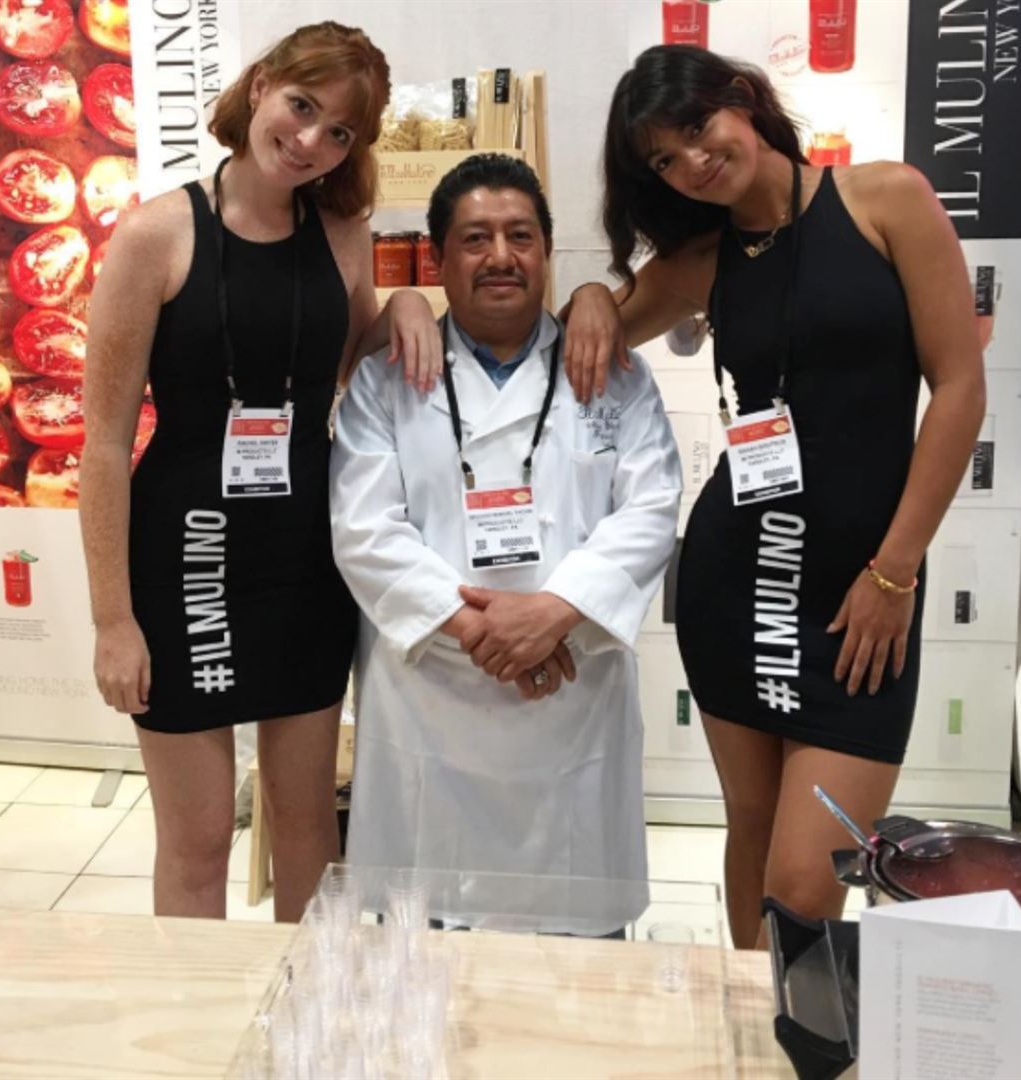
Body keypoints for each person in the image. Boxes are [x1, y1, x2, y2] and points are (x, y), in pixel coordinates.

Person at [564, 46, 985, 947]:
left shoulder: (886, 200)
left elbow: (959, 388)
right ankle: (758, 1021)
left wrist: (895, 573)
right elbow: (569, 344)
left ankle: (788, 1012)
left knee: (804, 881)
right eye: (664, 159)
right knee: (752, 833)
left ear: (742, 99)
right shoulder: (698, 261)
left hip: (865, 593)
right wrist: (595, 294)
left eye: (696, 127)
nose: (692, 161)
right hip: (735, 581)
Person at [79, 22, 442, 923]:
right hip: (187, 558)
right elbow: (103, 442)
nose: (310, 140)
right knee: (199, 839)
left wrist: (403, 302)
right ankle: (198, 1012)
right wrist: (113, 619)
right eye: (302, 106)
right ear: (262, 85)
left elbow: (345, 359)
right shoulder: (156, 233)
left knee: (307, 825)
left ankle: (304, 1011)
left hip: (304, 557)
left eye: (339, 132)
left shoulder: (343, 231)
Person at [330, 154, 682, 933]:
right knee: (427, 947)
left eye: (520, 236)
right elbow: (364, 529)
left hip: (571, 683)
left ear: (547, 253)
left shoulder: (616, 374)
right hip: (431, 687)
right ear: (438, 258)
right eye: (475, 238)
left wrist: (554, 612)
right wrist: (480, 630)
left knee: (575, 950)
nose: (500, 256)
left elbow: (652, 509)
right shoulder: (387, 380)